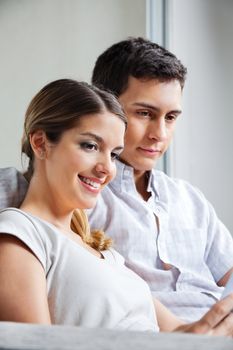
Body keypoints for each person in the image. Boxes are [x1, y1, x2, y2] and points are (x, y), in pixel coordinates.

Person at [1, 78, 233, 336]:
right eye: (90, 146)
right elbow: (34, 346)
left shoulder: (104, 253)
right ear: (40, 143)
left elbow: (180, 333)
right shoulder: (20, 237)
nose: (107, 169)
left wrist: (217, 326)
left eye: (113, 154)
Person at [87, 37, 233, 322]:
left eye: (171, 117)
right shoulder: (80, 191)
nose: (160, 134)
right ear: (103, 105)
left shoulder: (189, 199)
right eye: (145, 113)